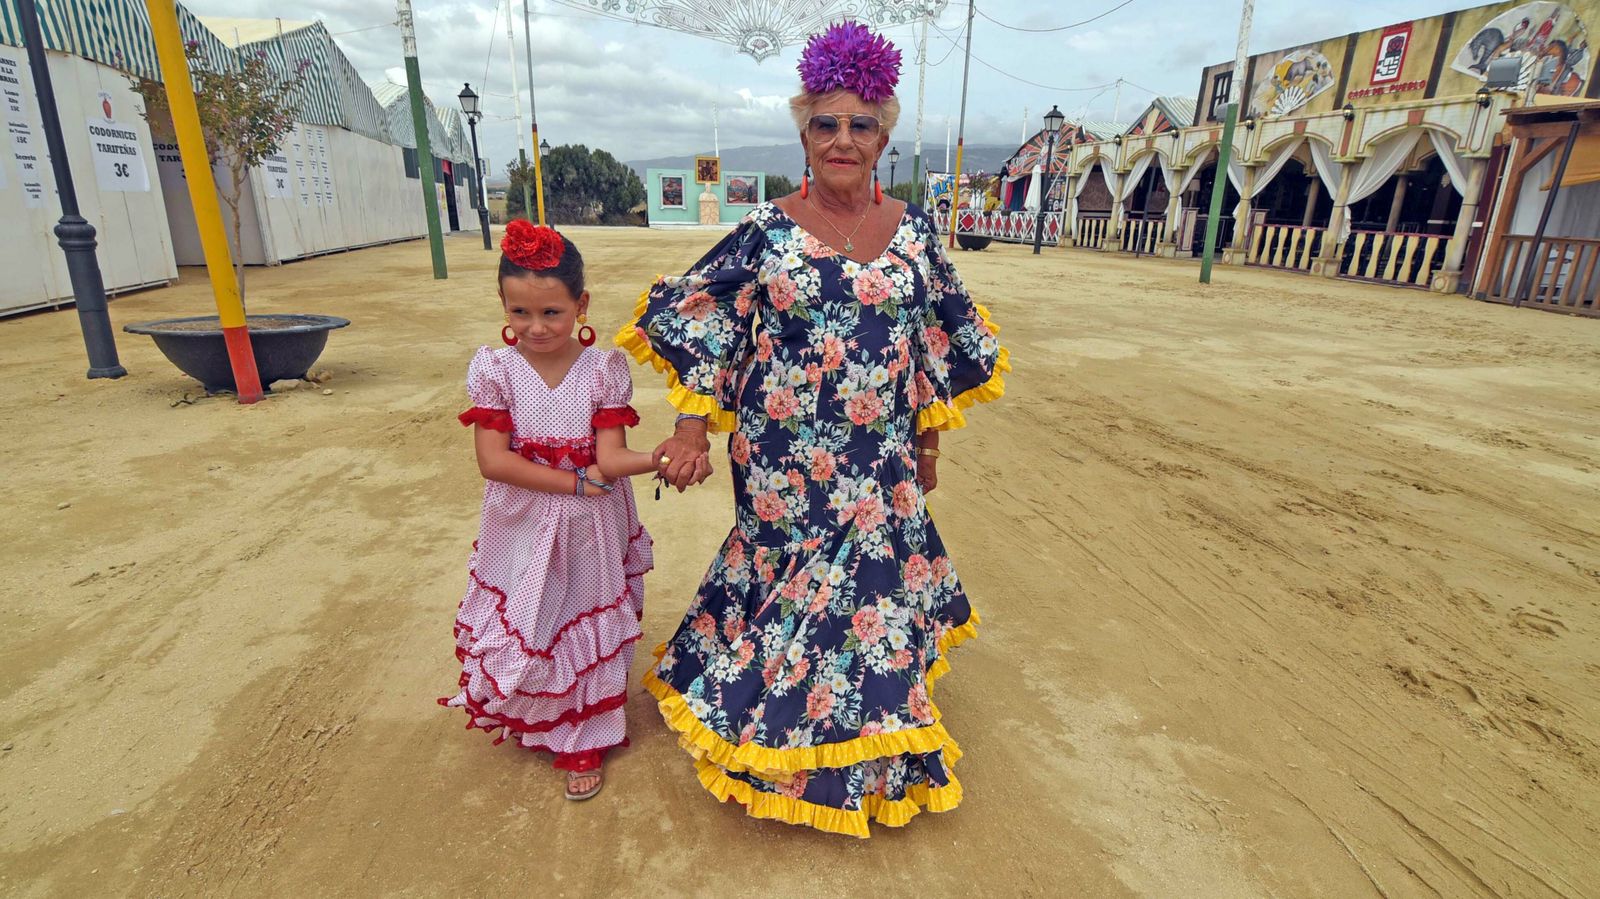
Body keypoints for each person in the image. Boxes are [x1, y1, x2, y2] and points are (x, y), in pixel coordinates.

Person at [617, 22, 1009, 837]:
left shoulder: (915, 232)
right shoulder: (767, 231)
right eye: (826, 123)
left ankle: (863, 750)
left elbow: (934, 338)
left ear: (884, 136)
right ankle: (778, 728)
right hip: (780, 458)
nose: (843, 139)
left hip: (880, 458)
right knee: (793, 589)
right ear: (804, 133)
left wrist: (929, 441)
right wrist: (692, 428)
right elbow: (713, 319)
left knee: (866, 597)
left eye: (860, 124)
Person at [442, 220, 658, 801]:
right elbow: (494, 462)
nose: (535, 328)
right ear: (504, 306)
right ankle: (536, 704)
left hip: (593, 525)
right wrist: (573, 482)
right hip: (522, 521)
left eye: (552, 314)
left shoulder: (604, 370)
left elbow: (610, 458)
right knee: (534, 613)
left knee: (583, 615)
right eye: (520, 313)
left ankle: (583, 734)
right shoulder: (495, 369)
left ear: (580, 304)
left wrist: (659, 458)